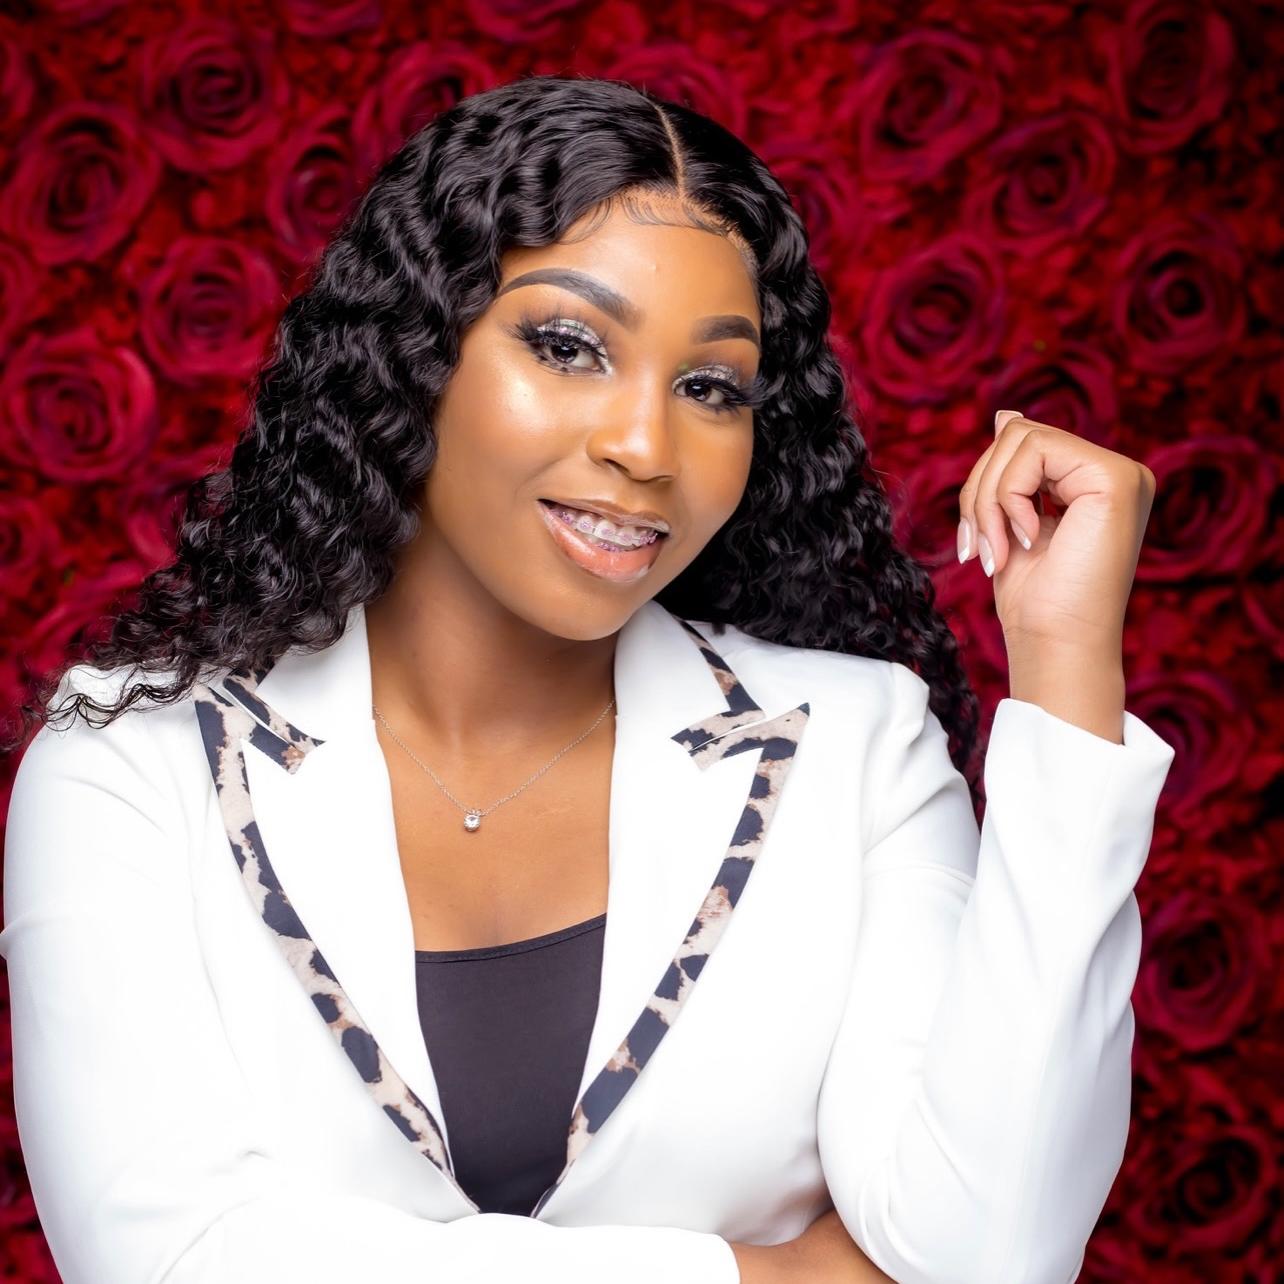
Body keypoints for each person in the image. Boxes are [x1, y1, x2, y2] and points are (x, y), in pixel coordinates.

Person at [0, 74, 1175, 1284]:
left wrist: (1066, 665)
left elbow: (992, 1251)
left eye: (710, 387)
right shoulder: (133, 760)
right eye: (568, 347)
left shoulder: (856, 743)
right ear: (415, 353)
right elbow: (171, 1260)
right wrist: (778, 1274)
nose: (645, 447)